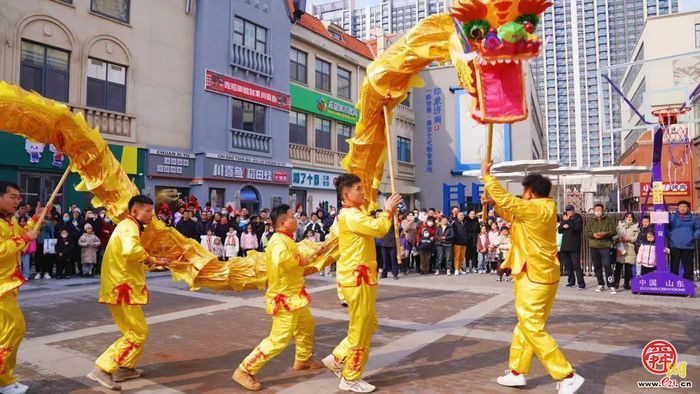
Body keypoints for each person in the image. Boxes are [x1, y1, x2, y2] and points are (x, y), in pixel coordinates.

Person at [480, 163, 584, 394]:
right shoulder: (541, 208)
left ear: (530, 192)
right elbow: (512, 212)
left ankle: (566, 374)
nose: (522, 194)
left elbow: (510, 203)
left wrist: (487, 177)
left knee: (531, 326)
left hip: (534, 276)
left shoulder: (535, 208)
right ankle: (517, 372)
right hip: (539, 274)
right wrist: (495, 204)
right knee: (527, 325)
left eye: (523, 191)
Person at [322, 174, 401, 393]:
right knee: (360, 329)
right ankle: (351, 377)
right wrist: (389, 210)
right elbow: (379, 228)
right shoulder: (351, 216)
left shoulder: (352, 214)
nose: (363, 191)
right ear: (346, 194)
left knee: (369, 324)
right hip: (358, 281)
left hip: (359, 279)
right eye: (359, 188)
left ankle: (338, 358)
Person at [233, 204, 324, 391]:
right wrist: (308, 256)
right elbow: (284, 260)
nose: (296, 219)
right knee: (279, 339)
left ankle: (303, 359)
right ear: (282, 222)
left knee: (307, 326)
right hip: (284, 298)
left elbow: (294, 255)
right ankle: (245, 370)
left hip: (295, 295)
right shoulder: (277, 242)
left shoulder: (286, 238)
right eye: (292, 216)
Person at [87, 195, 168, 391]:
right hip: (123, 288)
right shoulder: (130, 226)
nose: (151, 215)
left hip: (120, 285)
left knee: (131, 331)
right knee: (138, 333)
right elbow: (131, 251)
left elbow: (130, 259)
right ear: (135, 212)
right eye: (148, 211)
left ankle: (124, 367)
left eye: (152, 211)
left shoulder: (127, 226)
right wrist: (151, 258)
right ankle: (104, 368)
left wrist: (155, 262)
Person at [0, 181, 42, 394]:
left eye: (18, 197)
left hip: (8, 285)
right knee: (14, 329)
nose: (17, 201)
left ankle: (6, 380)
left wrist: (36, 218)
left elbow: (24, 237)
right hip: (1, 288)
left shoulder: (9, 221)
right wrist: (25, 237)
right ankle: (4, 380)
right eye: (12, 196)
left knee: (8, 332)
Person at [584, 204, 617, 294]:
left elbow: (614, 231)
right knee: (597, 266)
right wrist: (593, 235)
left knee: (607, 265)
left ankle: (611, 285)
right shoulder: (591, 221)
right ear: (594, 211)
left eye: (599, 210)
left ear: (603, 210)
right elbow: (587, 232)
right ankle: (600, 284)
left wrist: (605, 234)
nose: (598, 212)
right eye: (596, 210)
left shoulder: (608, 220)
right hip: (594, 246)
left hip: (605, 246)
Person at [665, 200, 700, 281]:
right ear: (678, 208)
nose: (682, 208)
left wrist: (694, 236)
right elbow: (666, 227)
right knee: (674, 266)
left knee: (688, 267)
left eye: (684, 206)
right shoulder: (672, 217)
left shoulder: (694, 218)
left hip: (688, 246)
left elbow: (698, 229)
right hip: (674, 245)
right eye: (680, 206)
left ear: (688, 208)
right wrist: (669, 235)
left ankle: (688, 284)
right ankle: (673, 283)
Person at [558, 205, 585, 289]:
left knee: (576, 264)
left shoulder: (578, 218)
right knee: (567, 265)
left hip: (574, 246)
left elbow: (578, 228)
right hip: (565, 246)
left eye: (570, 211)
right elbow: (559, 230)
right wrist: (563, 225)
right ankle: (571, 282)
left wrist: (568, 221)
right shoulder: (565, 218)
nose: (569, 212)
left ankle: (581, 283)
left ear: (574, 210)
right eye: (567, 211)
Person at [614, 212, 639, 291]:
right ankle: (616, 283)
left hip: (630, 248)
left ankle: (626, 283)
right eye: (627, 217)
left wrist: (628, 238)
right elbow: (614, 236)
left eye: (631, 217)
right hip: (621, 247)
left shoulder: (636, 226)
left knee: (628, 267)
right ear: (625, 217)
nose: (629, 218)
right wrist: (618, 238)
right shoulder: (620, 225)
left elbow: (636, 238)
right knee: (618, 266)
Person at [35, 213, 55, 279]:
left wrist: (47, 225)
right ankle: (38, 272)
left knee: (46, 258)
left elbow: (52, 231)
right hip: (37, 242)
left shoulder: (48, 222)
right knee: (38, 258)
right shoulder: (34, 221)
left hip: (46, 242)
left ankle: (46, 273)